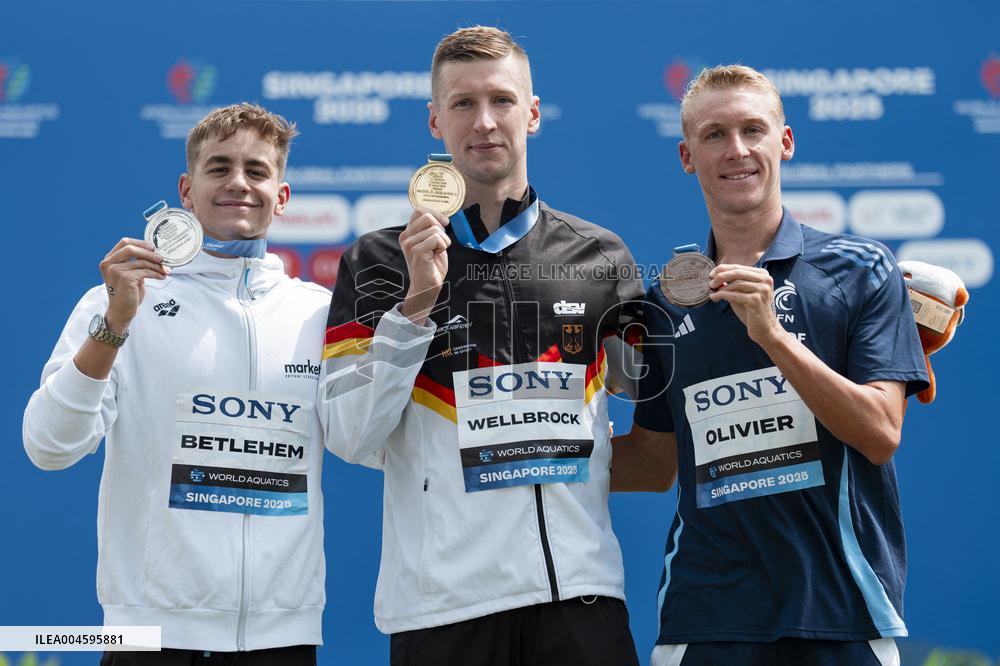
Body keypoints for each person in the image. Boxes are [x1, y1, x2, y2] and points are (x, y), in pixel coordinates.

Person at [318, 25, 643, 666]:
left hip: (580, 598)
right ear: (435, 121)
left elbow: (652, 406)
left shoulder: (603, 256)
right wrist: (415, 307)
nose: (485, 121)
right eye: (463, 104)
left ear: (534, 112)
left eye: (501, 100)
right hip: (442, 609)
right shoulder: (378, 260)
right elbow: (350, 437)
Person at [611, 65, 930, 666]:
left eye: (752, 130)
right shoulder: (661, 305)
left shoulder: (862, 269)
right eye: (714, 135)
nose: (736, 151)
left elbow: (881, 434)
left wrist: (775, 339)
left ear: (784, 141)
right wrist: (534, 443)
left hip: (842, 612)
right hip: (706, 618)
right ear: (687, 155)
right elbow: (652, 466)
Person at [23, 103, 331, 665]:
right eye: (220, 168)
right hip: (145, 635)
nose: (239, 182)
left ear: (281, 197)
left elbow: (370, 442)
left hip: (280, 636)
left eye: (257, 171)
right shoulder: (117, 303)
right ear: (186, 191)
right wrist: (114, 325)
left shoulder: (318, 314)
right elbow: (49, 446)